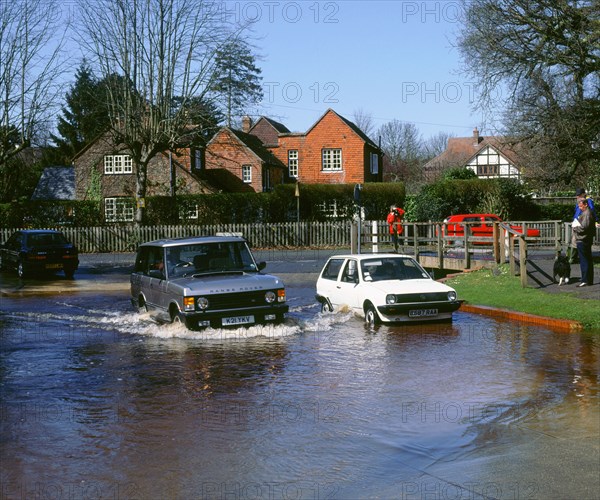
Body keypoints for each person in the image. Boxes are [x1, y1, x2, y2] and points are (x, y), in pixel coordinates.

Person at [568, 188, 597, 263]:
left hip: (582, 223)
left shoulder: (587, 201)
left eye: (579, 195)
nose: (577, 197)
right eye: (577, 195)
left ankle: (572, 258)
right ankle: (571, 257)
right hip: (576, 222)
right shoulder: (579, 202)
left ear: (583, 194)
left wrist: (596, 220)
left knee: (578, 241)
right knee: (573, 241)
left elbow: (591, 211)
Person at [572, 197, 595, 287]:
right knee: (588, 259)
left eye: (581, 206)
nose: (580, 208)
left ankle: (585, 280)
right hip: (586, 239)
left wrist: (575, 227)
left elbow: (584, 227)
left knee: (584, 260)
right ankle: (589, 280)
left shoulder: (586, 214)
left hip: (583, 239)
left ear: (585, 204)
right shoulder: (588, 213)